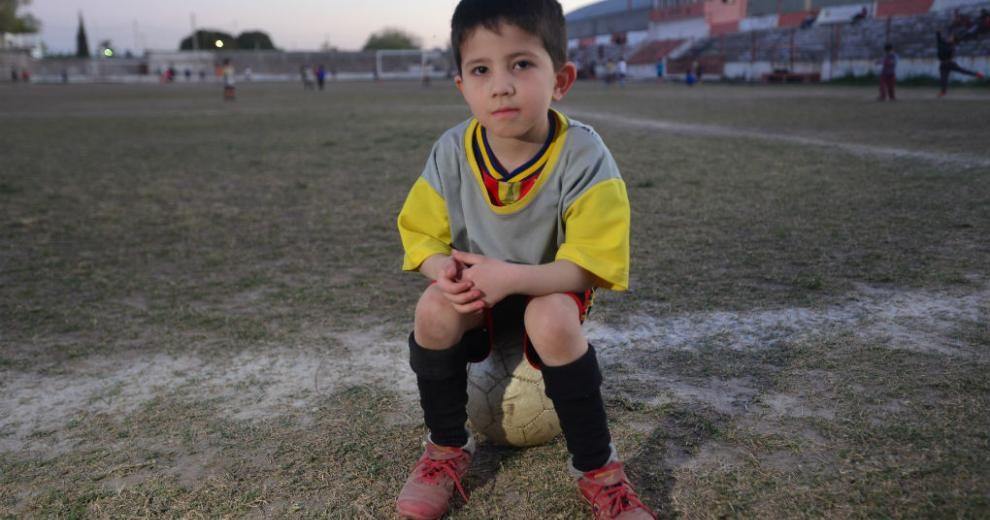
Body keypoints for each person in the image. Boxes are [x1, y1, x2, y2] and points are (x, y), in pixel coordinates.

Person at [394, 1, 652, 519]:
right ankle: (445, 448)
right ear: (461, 86)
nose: (501, 85)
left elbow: (592, 263)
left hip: (548, 283)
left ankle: (599, 471)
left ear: (561, 79)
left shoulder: (584, 154)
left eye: (521, 64)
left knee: (550, 317)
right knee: (432, 310)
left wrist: (514, 277)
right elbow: (421, 234)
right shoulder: (451, 151)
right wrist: (440, 269)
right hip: (477, 288)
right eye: (481, 70)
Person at [936, 31, 985, 98]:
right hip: (943, 65)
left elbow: (947, 52)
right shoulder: (943, 43)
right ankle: (943, 92)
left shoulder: (951, 47)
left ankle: (977, 74)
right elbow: (938, 38)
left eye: (951, 37)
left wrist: (943, 43)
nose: (949, 38)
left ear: (954, 40)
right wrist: (938, 32)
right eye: (949, 37)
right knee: (943, 79)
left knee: (963, 71)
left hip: (950, 64)